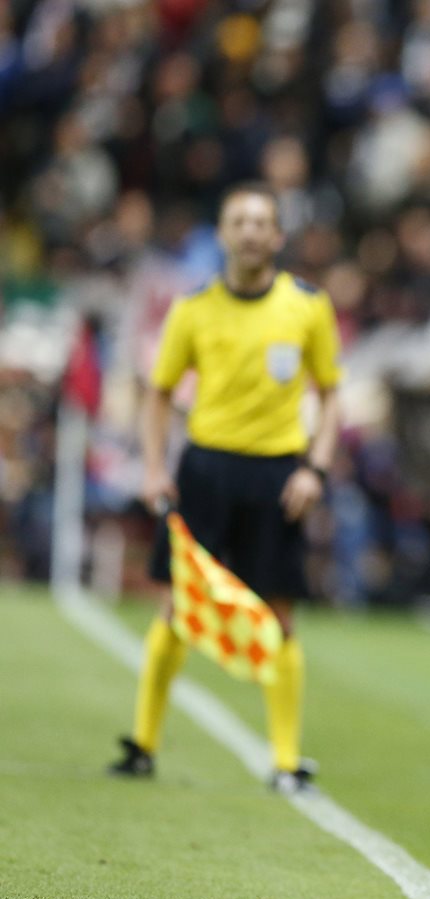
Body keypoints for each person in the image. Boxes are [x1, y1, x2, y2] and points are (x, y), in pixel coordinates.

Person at [108, 182, 341, 794]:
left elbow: (331, 393)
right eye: (238, 220)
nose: (249, 231)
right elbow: (158, 395)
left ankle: (287, 761)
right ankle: (143, 744)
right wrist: (155, 468)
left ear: (277, 236)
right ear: (222, 234)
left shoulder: (308, 307)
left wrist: (315, 468)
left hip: (276, 475)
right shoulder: (192, 309)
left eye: (261, 221)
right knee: (179, 608)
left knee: (280, 614)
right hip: (206, 471)